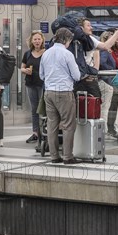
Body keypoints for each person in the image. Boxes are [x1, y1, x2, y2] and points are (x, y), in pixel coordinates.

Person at [39, 27, 81, 164]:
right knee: (69, 125)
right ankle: (68, 157)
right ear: (67, 40)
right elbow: (77, 76)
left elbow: (41, 75)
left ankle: (54, 156)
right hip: (64, 92)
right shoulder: (67, 54)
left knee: (52, 125)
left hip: (49, 92)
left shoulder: (46, 53)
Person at [21, 30, 45, 143]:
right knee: (34, 109)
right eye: (34, 39)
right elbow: (22, 67)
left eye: (38, 39)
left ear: (42, 40)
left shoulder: (46, 52)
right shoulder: (27, 53)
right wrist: (24, 70)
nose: (37, 41)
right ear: (31, 41)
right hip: (30, 84)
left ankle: (44, 132)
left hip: (42, 84)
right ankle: (35, 133)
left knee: (43, 110)